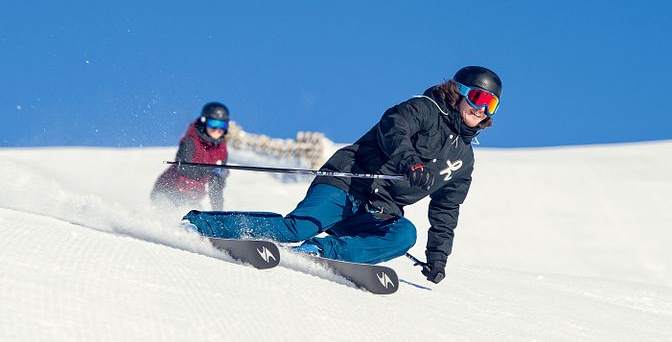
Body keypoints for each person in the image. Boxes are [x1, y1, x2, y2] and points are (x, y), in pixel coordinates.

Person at [183, 66, 501, 284]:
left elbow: (446, 210)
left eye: (492, 105)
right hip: (347, 181)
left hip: (377, 210)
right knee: (298, 228)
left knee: (404, 234)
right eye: (478, 98)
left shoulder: (463, 160)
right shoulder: (425, 108)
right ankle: (200, 223)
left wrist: (438, 258)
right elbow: (395, 127)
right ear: (457, 92)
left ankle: (322, 251)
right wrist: (409, 163)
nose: (482, 110)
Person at [152, 102, 231, 210]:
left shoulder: (221, 150)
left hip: (192, 197)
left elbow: (216, 186)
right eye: (213, 123)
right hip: (168, 191)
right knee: (176, 217)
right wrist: (210, 170)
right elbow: (184, 169)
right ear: (204, 121)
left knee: (197, 218)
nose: (217, 129)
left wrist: (218, 212)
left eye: (222, 125)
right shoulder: (191, 141)